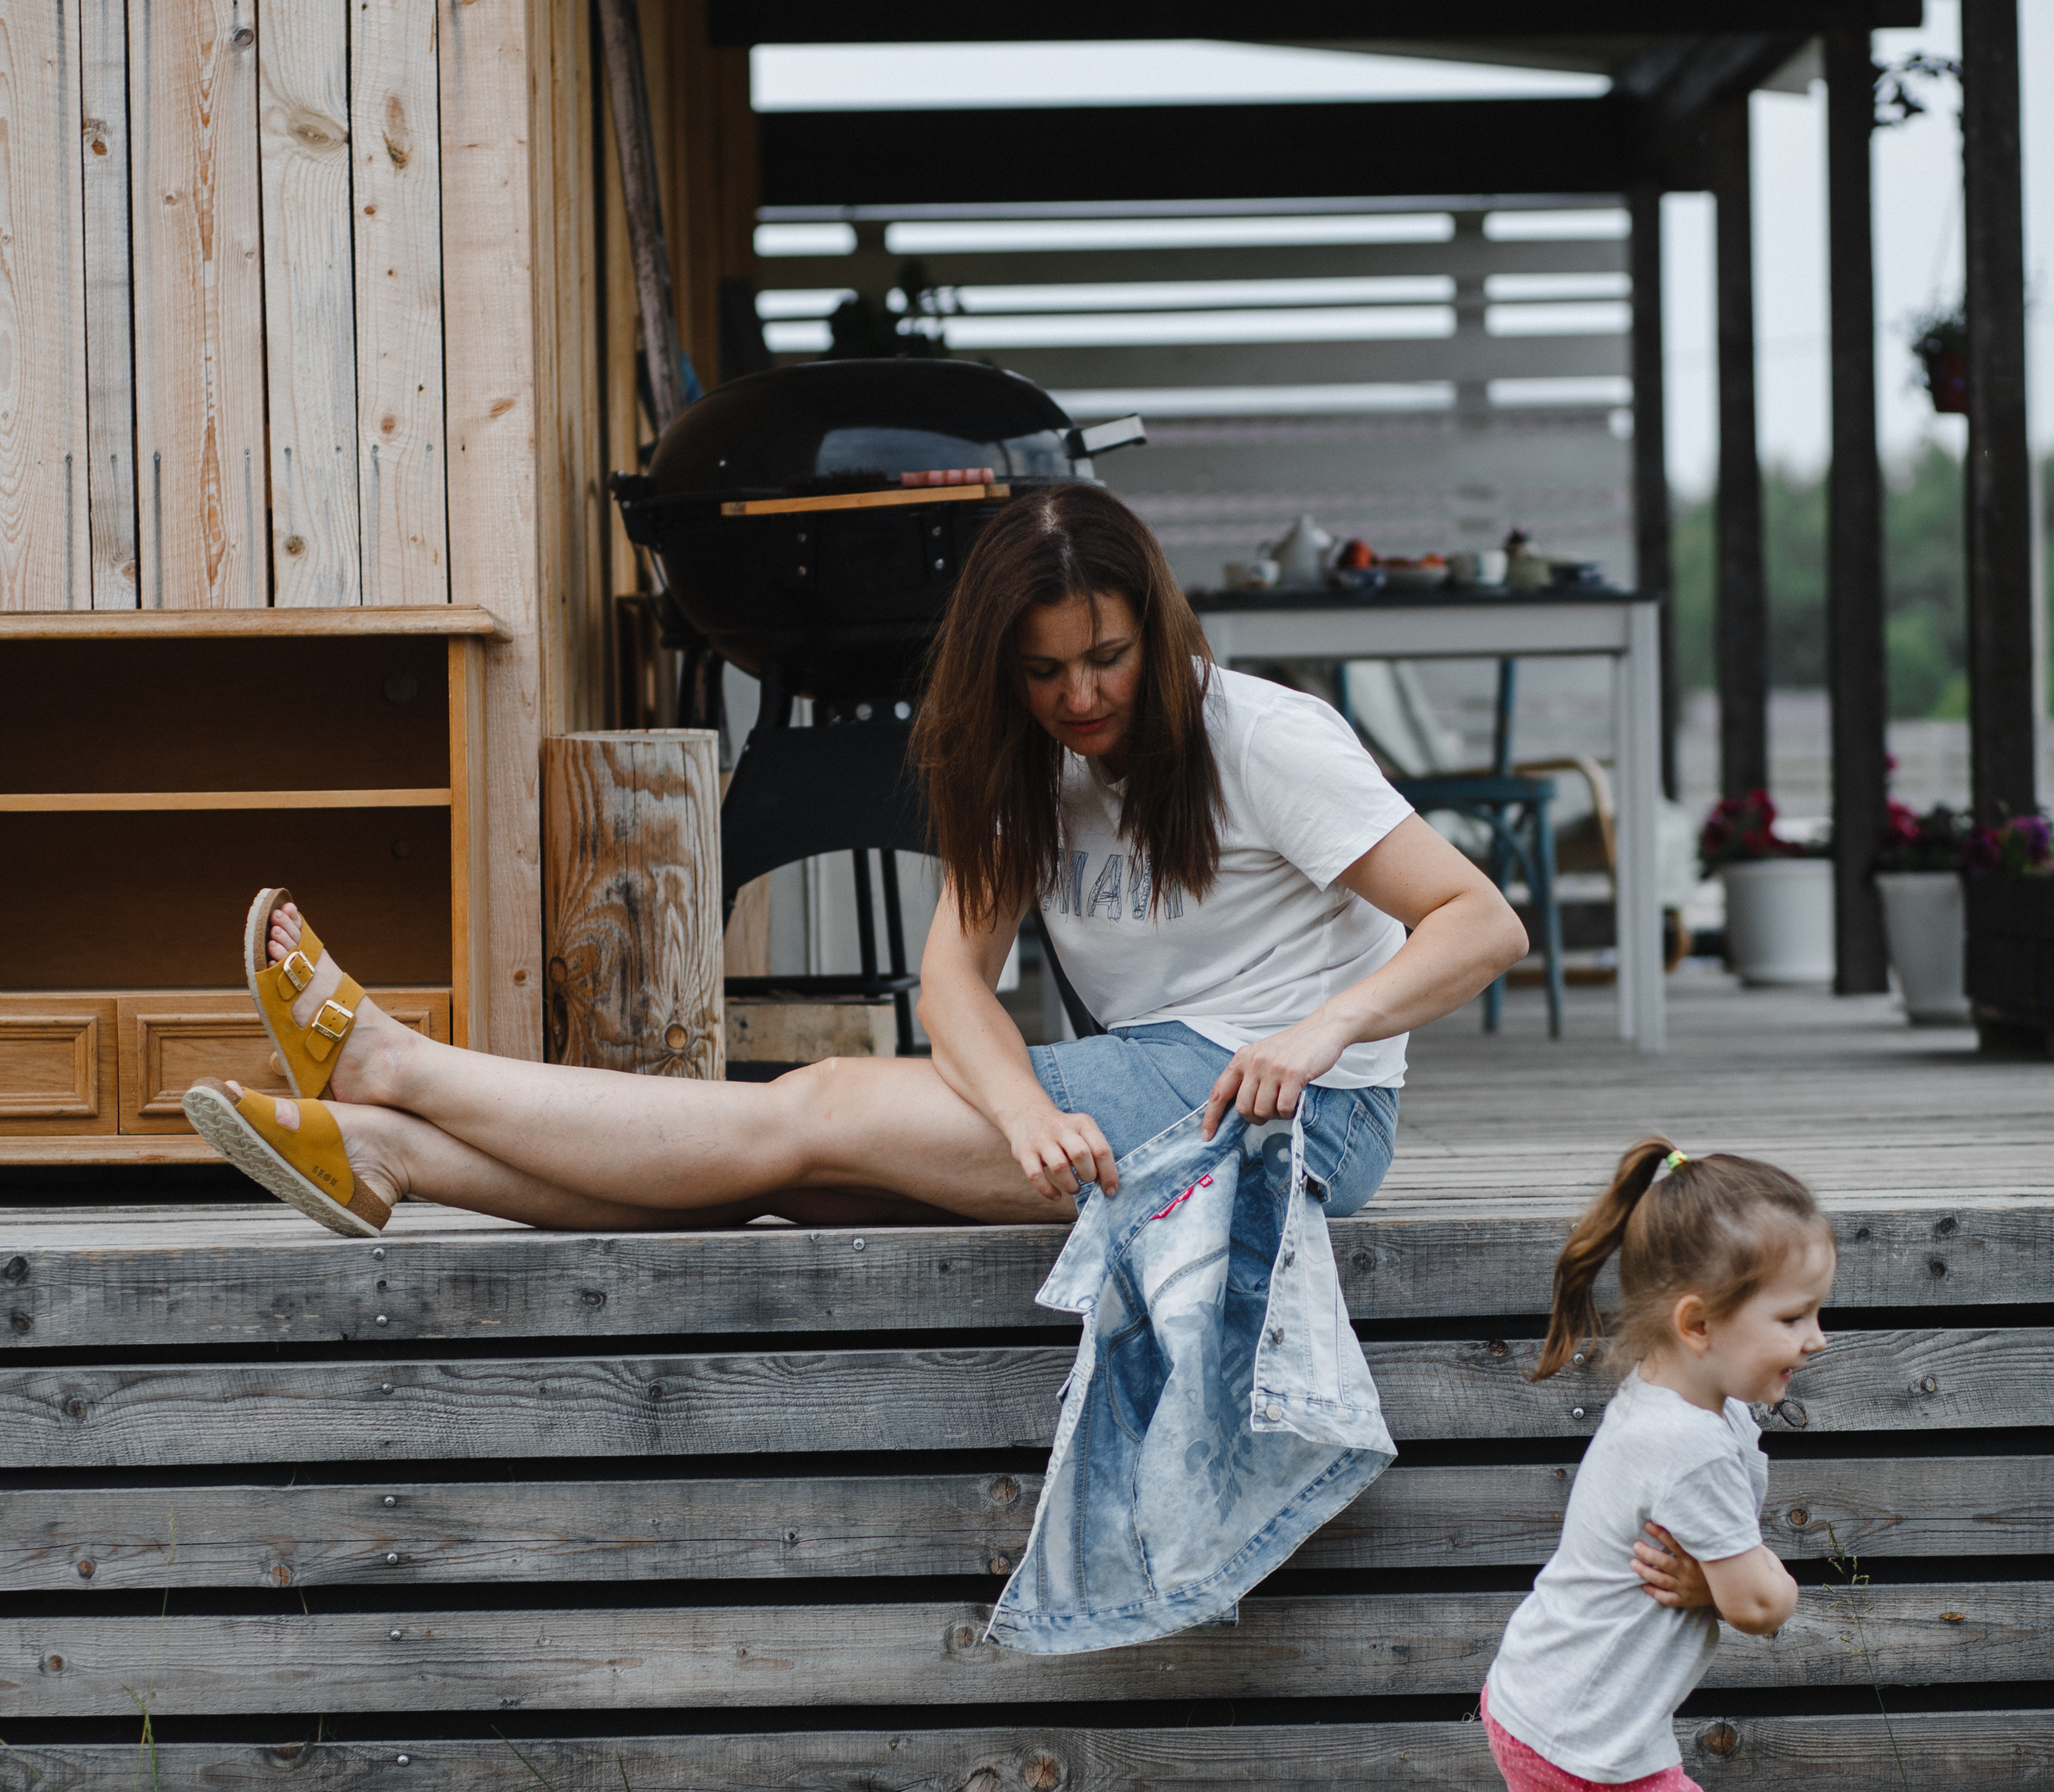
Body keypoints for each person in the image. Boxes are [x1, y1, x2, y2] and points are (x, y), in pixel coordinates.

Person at [184, 484, 1525, 1239]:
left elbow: (1479, 922)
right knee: (799, 1174)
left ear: (1154, 627)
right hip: (1156, 1097)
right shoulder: (1027, 760)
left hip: (1295, 1121)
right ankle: (393, 1158)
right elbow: (953, 984)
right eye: (1044, 671)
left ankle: (395, 1066)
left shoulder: (1265, 739)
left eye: (1107, 658)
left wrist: (1321, 1032)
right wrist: (1021, 1114)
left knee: (812, 1107)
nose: (1081, 697)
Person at [1310, 1137, 1826, 1792]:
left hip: (1555, 1703)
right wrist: (1731, 1591)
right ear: (1698, 1323)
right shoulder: (1686, 1445)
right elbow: (1764, 1599)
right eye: (1793, 1317)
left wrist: (1706, 1587)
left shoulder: (1678, 1400)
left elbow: (1717, 1574)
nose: (1817, 1340)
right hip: (1593, 1730)